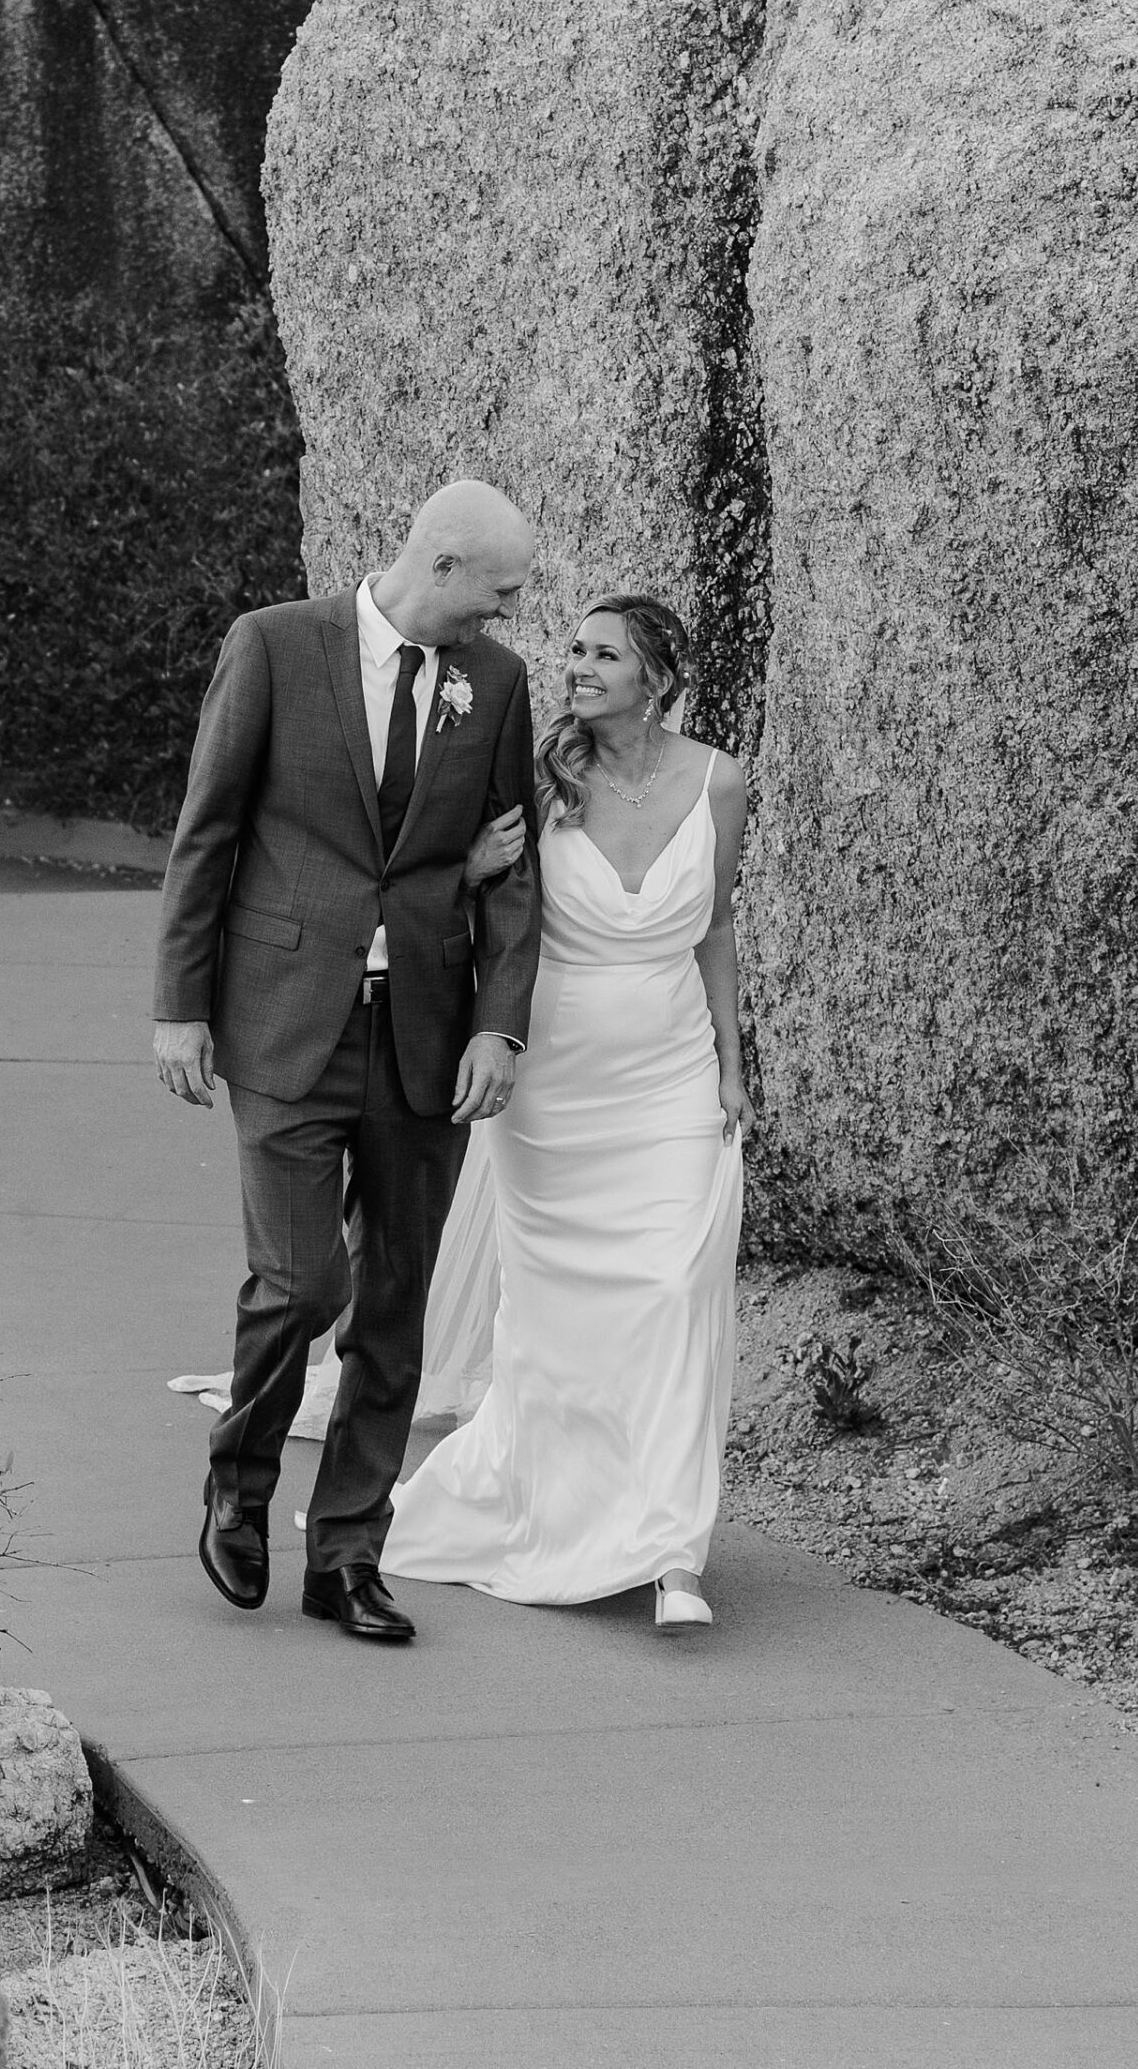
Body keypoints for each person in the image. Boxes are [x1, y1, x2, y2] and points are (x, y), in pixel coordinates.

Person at [152, 481, 543, 1644]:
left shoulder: (496, 685)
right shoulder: (273, 646)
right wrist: (179, 1007)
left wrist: (496, 1023)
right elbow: (207, 827)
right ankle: (240, 1476)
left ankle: (347, 1553)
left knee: (394, 1302)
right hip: (282, 1018)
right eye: (499, 592)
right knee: (305, 1279)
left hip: (424, 1028)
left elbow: (512, 868)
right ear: (442, 565)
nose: (508, 615)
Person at [379, 592, 752, 1630]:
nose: (577, 667)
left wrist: (731, 1059)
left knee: (675, 1288)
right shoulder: (543, 779)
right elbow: (452, 895)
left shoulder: (722, 781)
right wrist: (473, 868)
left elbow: (714, 926)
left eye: (602, 653)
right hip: (555, 1088)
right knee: (557, 1323)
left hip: (671, 1073)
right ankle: (557, 1505)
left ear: (656, 678)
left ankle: (673, 1551)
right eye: (575, 650)